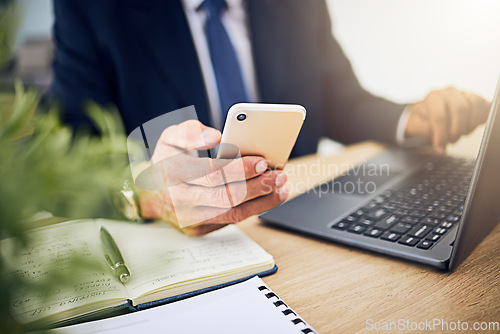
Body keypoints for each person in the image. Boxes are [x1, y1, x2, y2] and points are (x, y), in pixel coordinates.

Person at [50, 0, 490, 235]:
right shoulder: (91, 8)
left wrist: (414, 116)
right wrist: (145, 192)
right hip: (180, 252)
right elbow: (67, 158)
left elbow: (339, 99)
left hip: (295, 226)